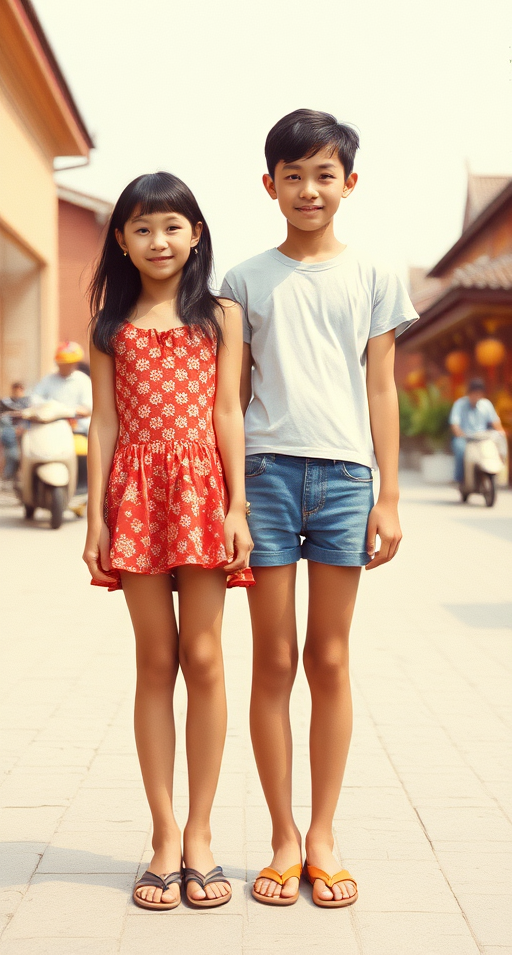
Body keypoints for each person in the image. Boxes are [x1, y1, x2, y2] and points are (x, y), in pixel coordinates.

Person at [220, 109, 419, 908]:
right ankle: (282, 837)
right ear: (269, 185)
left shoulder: (375, 276)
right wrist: (231, 500)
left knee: (328, 660)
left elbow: (382, 385)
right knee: (272, 661)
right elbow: (231, 399)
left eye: (324, 174)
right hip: (264, 478)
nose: (309, 189)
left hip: (344, 482)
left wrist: (391, 496)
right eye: (293, 175)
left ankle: (324, 835)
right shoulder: (241, 280)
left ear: (350, 183)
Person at [82, 172, 253, 911]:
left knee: (205, 657)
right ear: (121, 239)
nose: (159, 241)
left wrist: (238, 505)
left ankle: (202, 833)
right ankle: (161, 838)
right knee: (156, 659)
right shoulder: (109, 327)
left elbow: (228, 414)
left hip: (203, 496)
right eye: (143, 228)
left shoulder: (221, 316)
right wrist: (94, 517)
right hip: (136, 497)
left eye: (173, 226)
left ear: (197, 234)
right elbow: (104, 424)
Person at [450, 377, 505, 483]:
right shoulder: (460, 405)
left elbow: (495, 422)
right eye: (474, 394)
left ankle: (499, 476)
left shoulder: (486, 404)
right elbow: (454, 424)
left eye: (479, 394)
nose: (476, 397)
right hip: (465, 438)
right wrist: (460, 434)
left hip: (482, 438)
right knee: (460, 450)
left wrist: (501, 434)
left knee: (498, 448)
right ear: (469, 394)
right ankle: (460, 479)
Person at [33, 342, 92, 436]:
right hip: (51, 425)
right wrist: (49, 407)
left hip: (78, 427)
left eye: (68, 363)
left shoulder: (83, 380)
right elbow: (35, 398)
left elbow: (88, 407)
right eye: (62, 363)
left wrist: (70, 411)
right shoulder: (48, 379)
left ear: (75, 363)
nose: (64, 366)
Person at [0, 382, 30, 482]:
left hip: (25, 431)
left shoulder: (27, 402)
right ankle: (8, 475)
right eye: (16, 389)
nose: (18, 392)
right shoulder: (5, 402)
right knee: (12, 453)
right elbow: (3, 417)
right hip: (8, 430)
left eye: (20, 389)